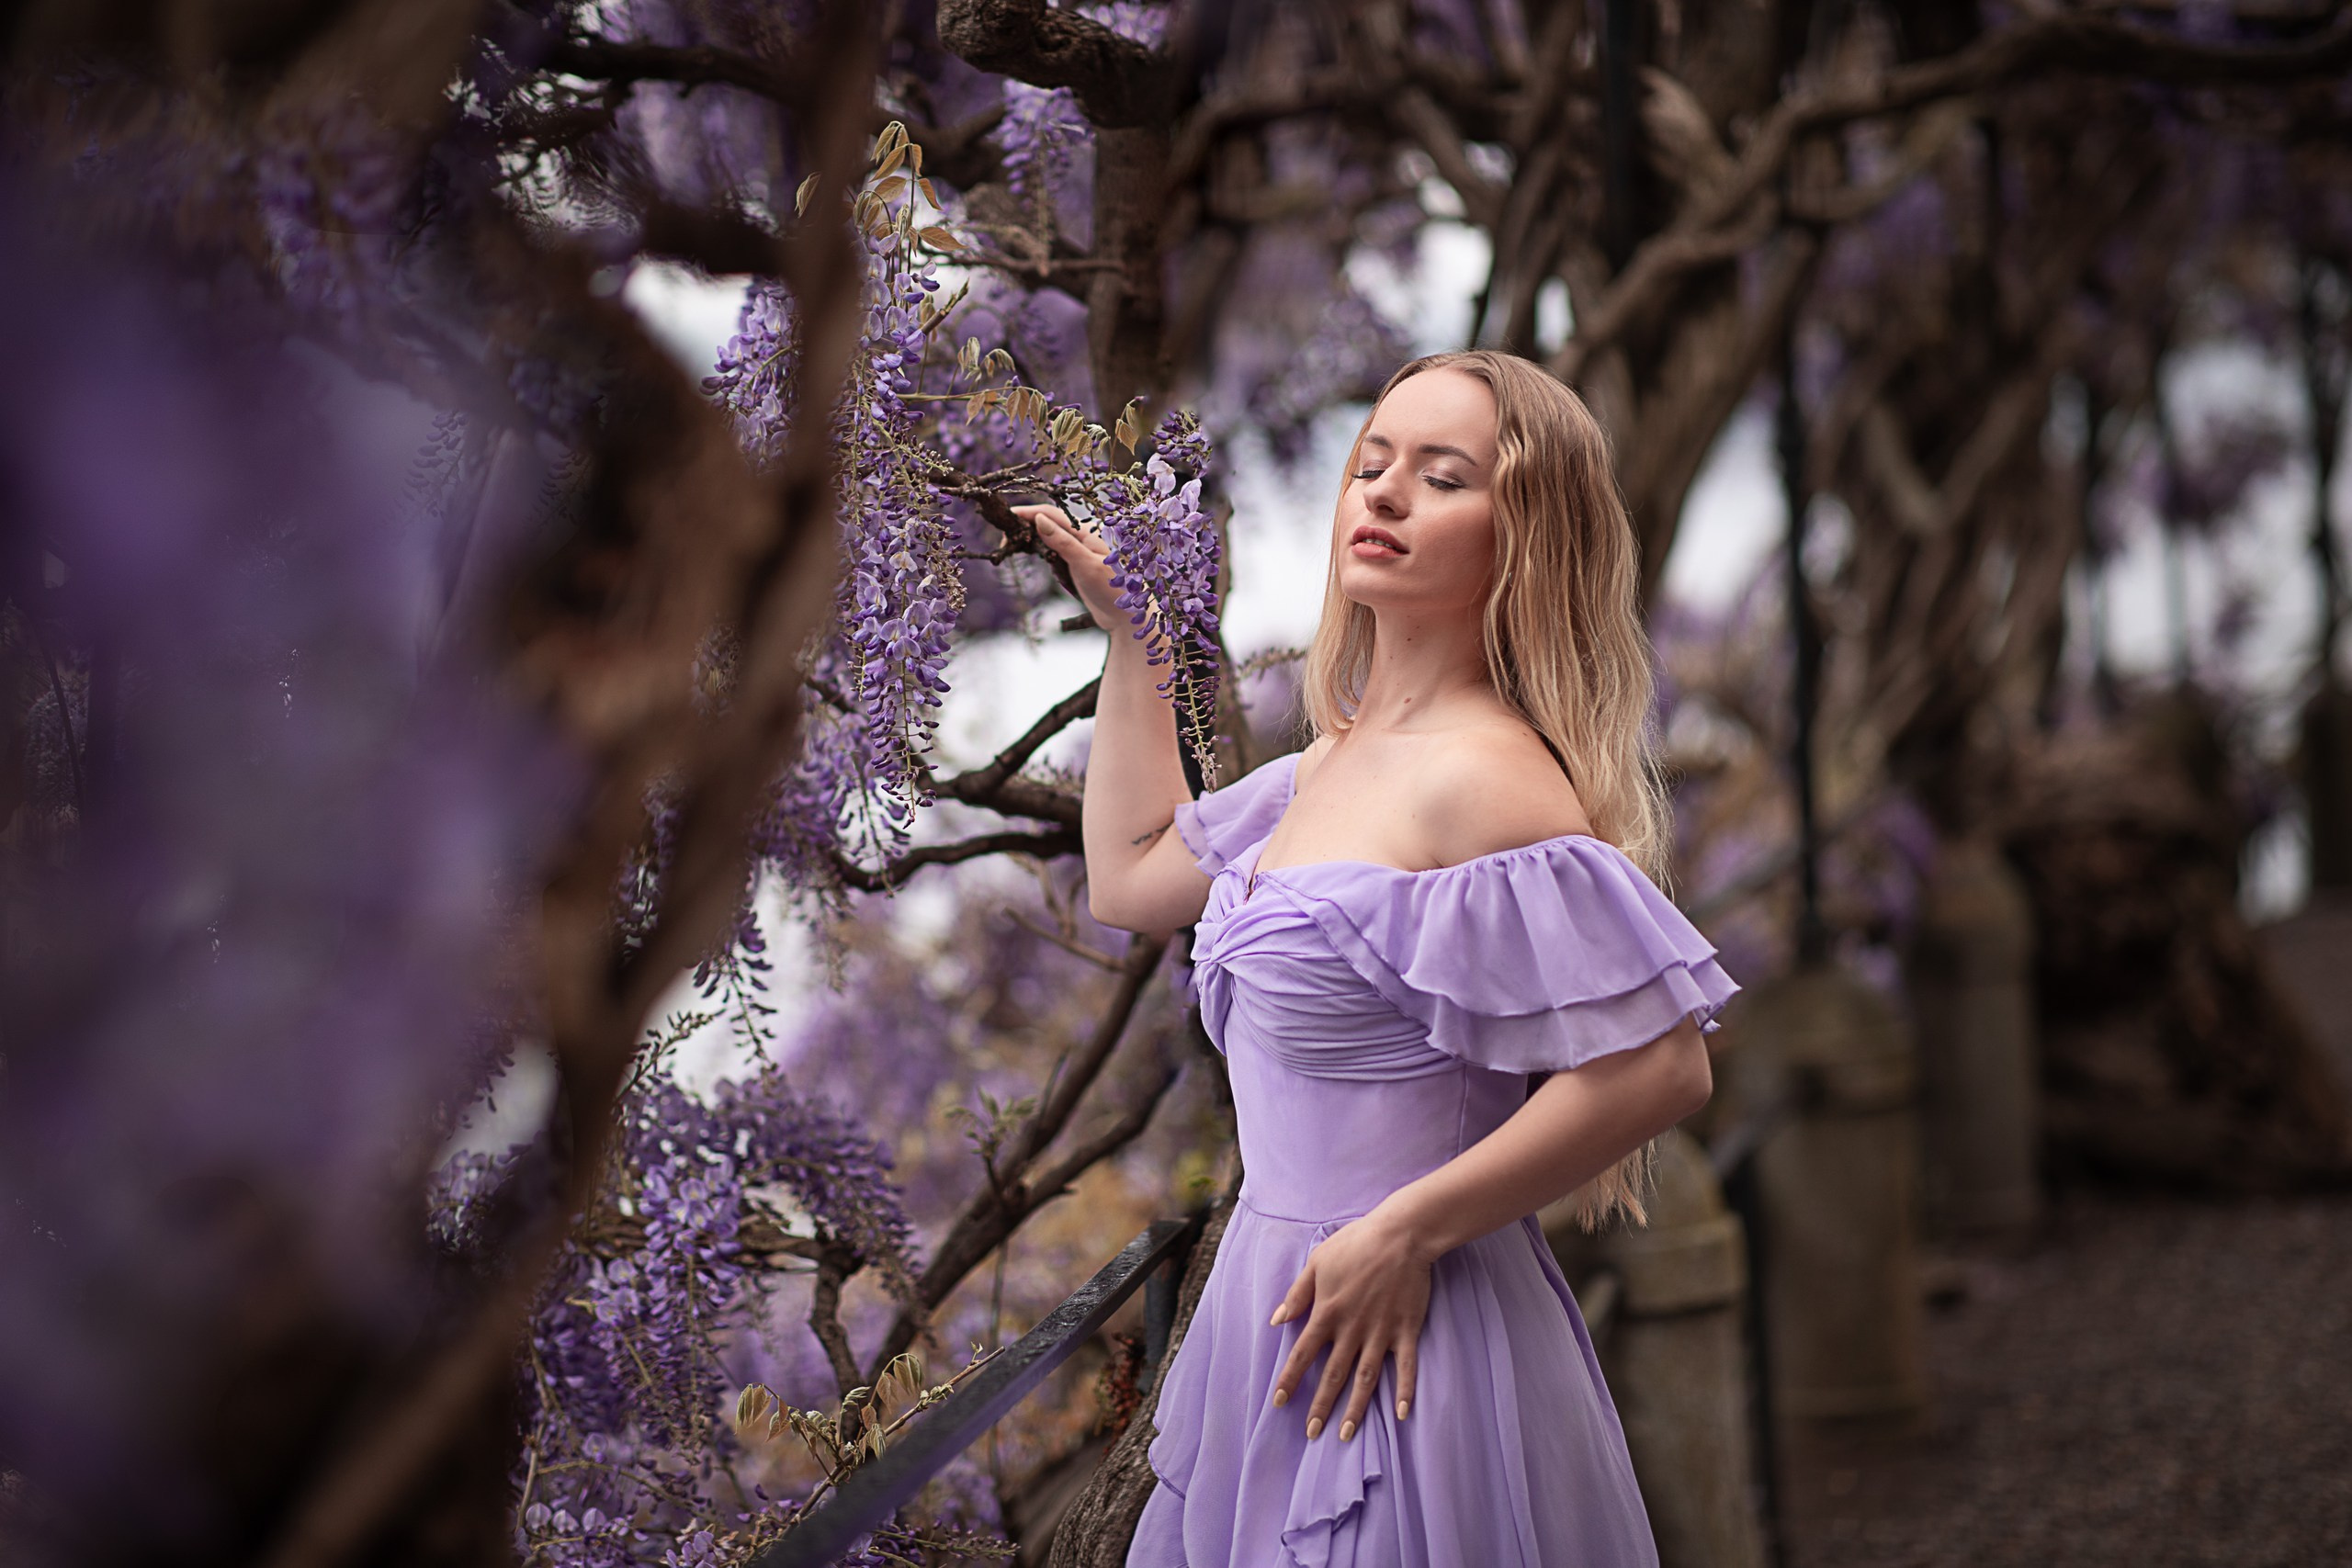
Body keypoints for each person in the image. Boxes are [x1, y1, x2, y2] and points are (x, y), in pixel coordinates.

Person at [1025, 350, 1736, 1568]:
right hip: (1279, 1308)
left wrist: (1406, 1232)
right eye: (1372, 464)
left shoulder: (1487, 774)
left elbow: (1661, 1068)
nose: (1386, 495)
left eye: (1442, 475)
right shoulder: (1327, 765)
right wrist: (1136, 637)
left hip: (1413, 1333)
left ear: (1524, 535)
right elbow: (1133, 877)